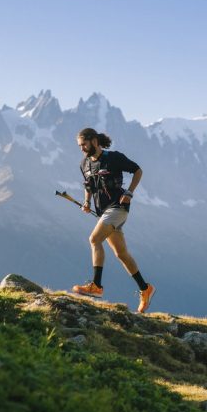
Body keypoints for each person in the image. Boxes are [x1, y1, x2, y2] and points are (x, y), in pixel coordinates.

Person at [72, 128, 156, 313]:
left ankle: (96, 286)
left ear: (94, 141)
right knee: (121, 254)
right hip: (103, 212)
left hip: (118, 208)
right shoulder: (84, 163)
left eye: (84, 144)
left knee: (94, 239)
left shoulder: (114, 158)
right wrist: (86, 202)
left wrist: (129, 193)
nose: (82, 149)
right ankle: (145, 288)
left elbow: (137, 170)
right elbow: (88, 185)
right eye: (79, 146)